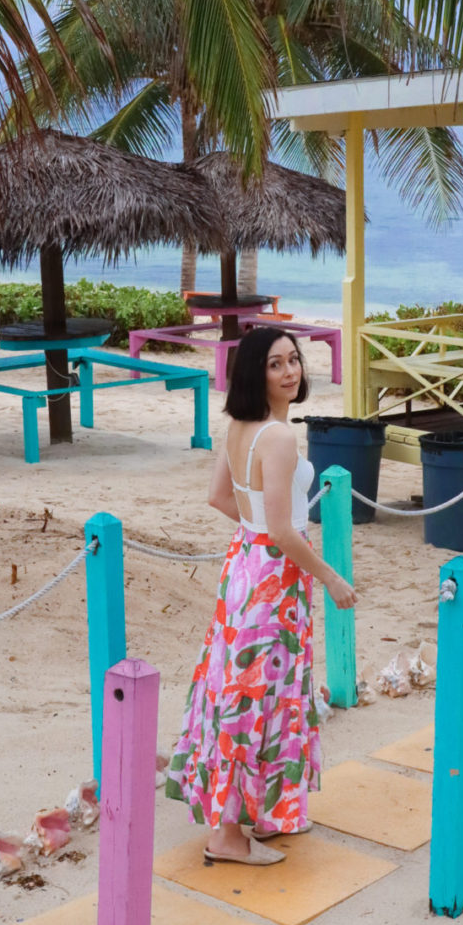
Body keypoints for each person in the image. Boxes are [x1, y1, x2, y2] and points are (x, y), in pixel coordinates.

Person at [165, 326, 358, 866]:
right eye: (276, 364)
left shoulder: (240, 427)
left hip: (246, 568)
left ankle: (264, 811)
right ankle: (227, 836)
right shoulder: (276, 437)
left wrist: (255, 532)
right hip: (274, 576)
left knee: (249, 688)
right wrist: (331, 577)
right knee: (255, 694)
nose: (291, 371)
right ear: (256, 373)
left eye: (294, 360)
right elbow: (285, 529)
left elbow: (218, 496)